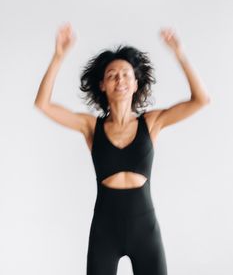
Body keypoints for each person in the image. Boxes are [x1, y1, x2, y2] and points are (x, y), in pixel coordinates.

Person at [34, 22, 211, 275]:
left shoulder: (151, 123)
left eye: (126, 74)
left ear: (136, 84)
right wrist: (58, 56)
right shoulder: (91, 127)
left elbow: (201, 99)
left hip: (145, 231)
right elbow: (43, 104)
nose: (120, 79)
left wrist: (180, 53)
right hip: (105, 231)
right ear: (103, 85)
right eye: (112, 75)